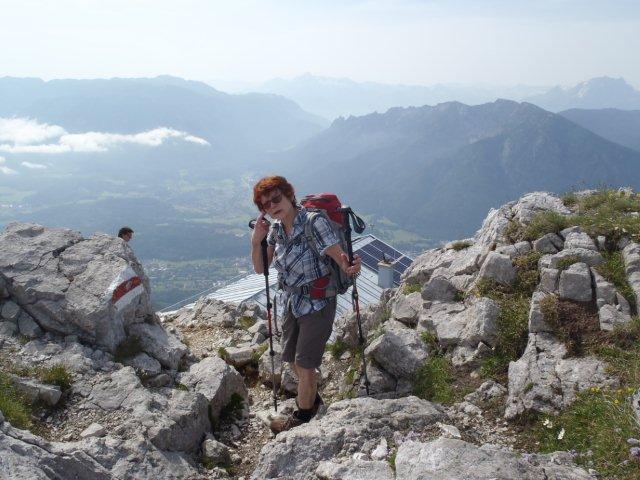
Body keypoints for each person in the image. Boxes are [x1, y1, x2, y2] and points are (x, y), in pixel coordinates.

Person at [251, 175, 361, 433]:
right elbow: (260, 268)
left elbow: (338, 255)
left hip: (318, 302)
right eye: (266, 204)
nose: (273, 206)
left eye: (276, 198)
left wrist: (349, 264)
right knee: (291, 360)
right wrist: (256, 240)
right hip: (291, 301)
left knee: (305, 364)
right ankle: (313, 401)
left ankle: (301, 420)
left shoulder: (314, 222)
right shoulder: (276, 231)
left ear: (289, 195)